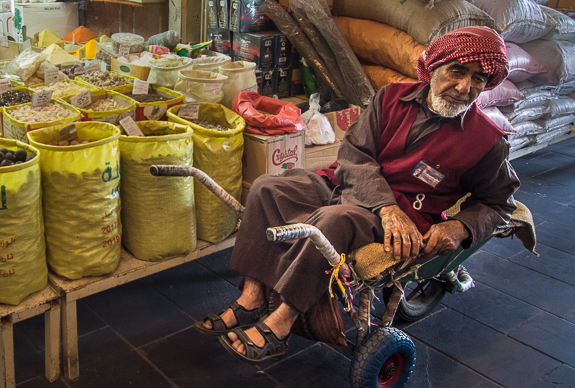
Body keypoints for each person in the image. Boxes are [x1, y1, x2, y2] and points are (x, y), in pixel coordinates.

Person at [197, 26, 520, 363]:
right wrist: (384, 205)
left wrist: (461, 226)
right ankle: (251, 299)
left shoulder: (487, 140)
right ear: (435, 67)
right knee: (267, 187)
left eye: (479, 79)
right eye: (457, 71)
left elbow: (499, 202)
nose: (465, 87)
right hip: (348, 185)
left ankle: (281, 323)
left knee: (331, 221)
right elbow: (354, 153)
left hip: (403, 215)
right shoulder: (392, 97)